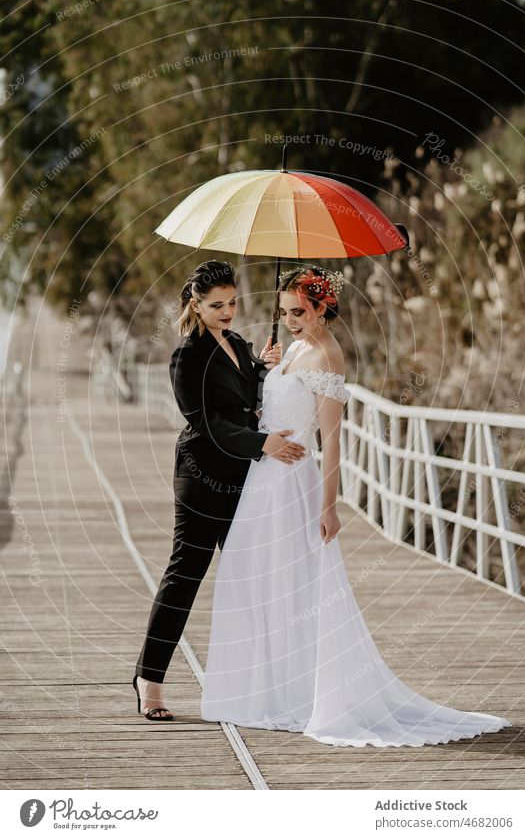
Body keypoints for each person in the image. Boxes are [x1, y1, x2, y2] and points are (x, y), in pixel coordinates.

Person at [200, 265, 512, 747]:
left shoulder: (326, 357)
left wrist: (329, 507)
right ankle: (264, 689)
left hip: (293, 484)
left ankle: (301, 693)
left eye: (300, 312)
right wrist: (269, 369)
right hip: (263, 479)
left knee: (296, 584)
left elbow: (332, 442)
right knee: (256, 576)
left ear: (324, 307)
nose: (291, 320)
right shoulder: (296, 348)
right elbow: (274, 410)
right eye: (284, 313)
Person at [133, 259, 306, 720]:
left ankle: (252, 687)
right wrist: (262, 443)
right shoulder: (186, 357)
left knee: (247, 576)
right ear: (195, 304)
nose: (228, 312)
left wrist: (264, 369)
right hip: (200, 475)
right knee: (185, 577)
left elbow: (248, 401)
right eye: (217, 306)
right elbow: (206, 422)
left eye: (232, 303)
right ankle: (149, 679)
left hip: (243, 479)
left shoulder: (238, 343)